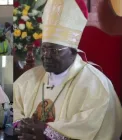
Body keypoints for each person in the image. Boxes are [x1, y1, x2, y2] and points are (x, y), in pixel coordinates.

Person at [13, 0, 122, 139]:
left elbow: (94, 124)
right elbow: (14, 106)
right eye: (44, 49)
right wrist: (21, 125)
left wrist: (48, 133)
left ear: (72, 51)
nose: (46, 55)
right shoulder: (29, 79)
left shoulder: (96, 84)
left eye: (54, 50)